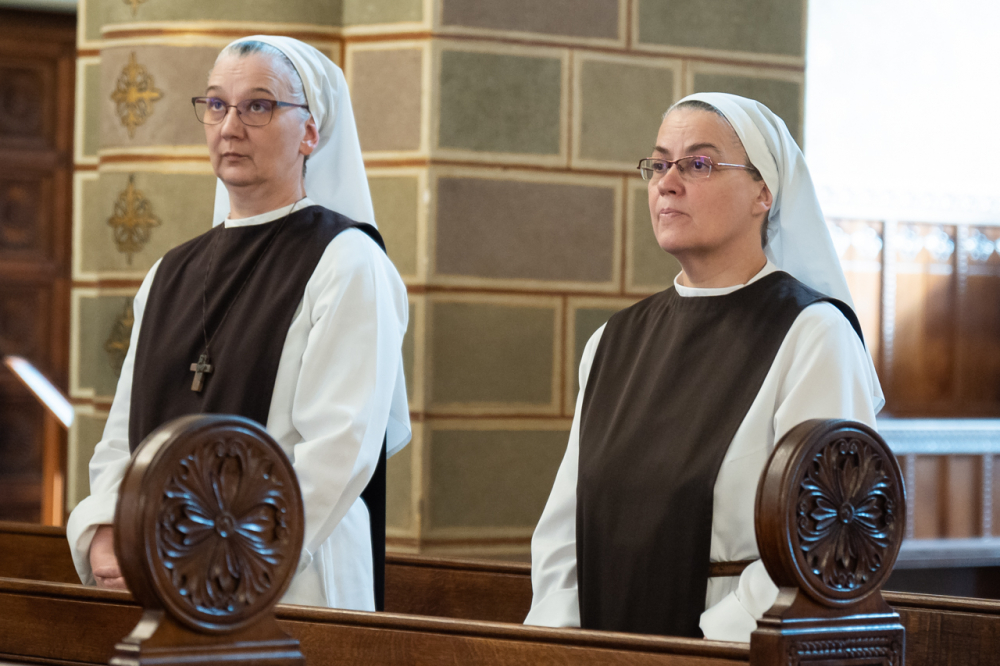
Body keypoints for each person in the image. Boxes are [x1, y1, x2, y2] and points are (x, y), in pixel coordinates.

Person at [65, 35, 411, 612]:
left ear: (310, 132)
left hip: (285, 582)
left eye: (258, 106)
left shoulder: (348, 262)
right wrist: (108, 530)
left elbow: (338, 450)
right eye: (216, 105)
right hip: (159, 576)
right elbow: (122, 438)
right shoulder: (170, 272)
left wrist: (211, 554)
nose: (230, 126)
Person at [525, 93, 883, 642]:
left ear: (764, 192)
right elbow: (562, 532)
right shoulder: (612, 342)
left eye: (698, 164)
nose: (667, 183)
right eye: (659, 164)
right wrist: (562, 645)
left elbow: (823, 535)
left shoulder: (813, 334)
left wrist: (707, 643)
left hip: (729, 647)